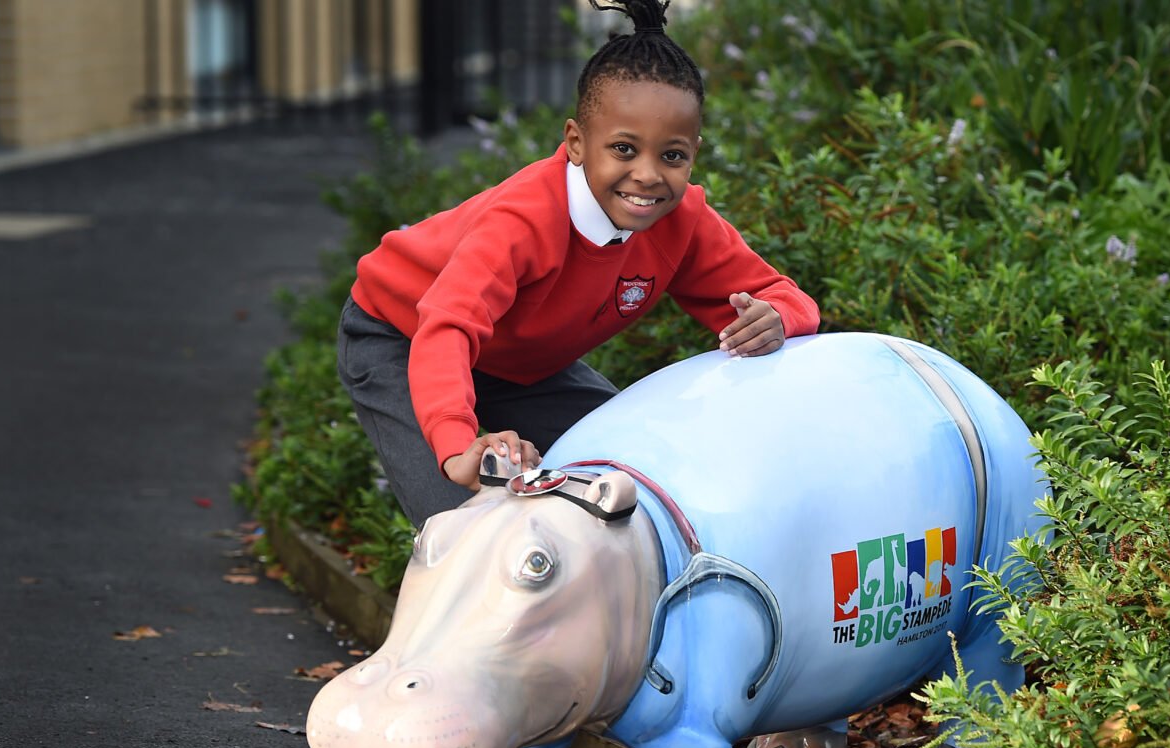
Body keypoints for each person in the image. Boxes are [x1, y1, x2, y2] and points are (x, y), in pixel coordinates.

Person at [336, 0, 820, 526]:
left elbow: (782, 295)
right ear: (576, 143)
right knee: (468, 525)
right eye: (624, 149)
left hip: (518, 361)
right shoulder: (522, 222)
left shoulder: (683, 221)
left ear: (694, 153)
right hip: (404, 335)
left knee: (638, 471)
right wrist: (459, 446)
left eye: (673, 156)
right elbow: (448, 325)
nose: (648, 175)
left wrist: (776, 317)